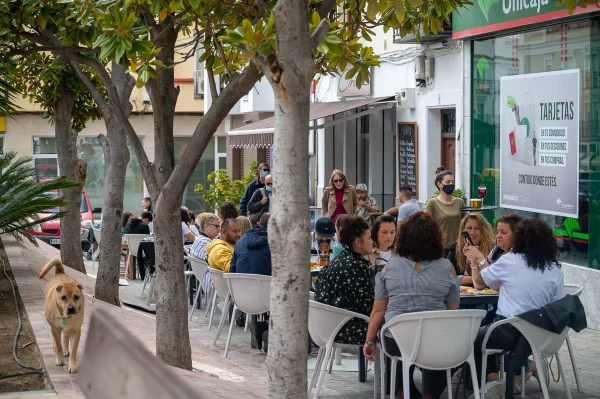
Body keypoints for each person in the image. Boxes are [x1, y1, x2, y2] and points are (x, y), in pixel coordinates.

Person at [363, 212, 460, 399]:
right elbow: (452, 312)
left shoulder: (389, 267)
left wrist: (369, 341)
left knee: (396, 338)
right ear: (436, 238)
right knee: (440, 343)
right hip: (434, 340)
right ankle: (431, 392)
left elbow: (378, 310)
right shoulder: (447, 268)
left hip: (397, 341)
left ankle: (401, 388)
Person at [465, 218, 564, 398]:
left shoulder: (510, 260)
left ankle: (493, 381)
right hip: (542, 335)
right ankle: (514, 372)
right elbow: (556, 303)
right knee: (487, 334)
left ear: (520, 239)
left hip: (509, 331)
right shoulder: (555, 267)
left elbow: (478, 282)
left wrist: (476, 261)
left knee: (473, 338)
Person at [314, 217, 374, 345]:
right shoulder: (355, 267)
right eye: (369, 238)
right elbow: (369, 306)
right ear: (358, 242)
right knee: (389, 329)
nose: (372, 242)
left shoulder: (340, 259)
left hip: (323, 327)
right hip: (345, 330)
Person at [464, 213, 523, 291]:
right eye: (498, 232)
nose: (498, 236)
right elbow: (478, 285)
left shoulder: (517, 257)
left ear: (516, 235)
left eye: (503, 232)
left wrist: (481, 260)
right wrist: (474, 259)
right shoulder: (496, 251)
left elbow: (498, 287)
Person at [447, 213, 495, 286]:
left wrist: (463, 279)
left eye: (477, 228)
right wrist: (475, 279)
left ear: (483, 230)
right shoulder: (455, 248)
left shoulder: (492, 249)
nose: (472, 232)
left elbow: (494, 278)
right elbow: (449, 278)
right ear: (463, 230)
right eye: (469, 228)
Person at [424, 170, 465, 255]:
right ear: (439, 184)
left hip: (457, 246)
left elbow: (464, 223)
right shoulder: (432, 203)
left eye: (452, 182)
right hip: (440, 248)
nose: (451, 184)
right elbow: (426, 226)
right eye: (448, 182)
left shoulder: (459, 202)